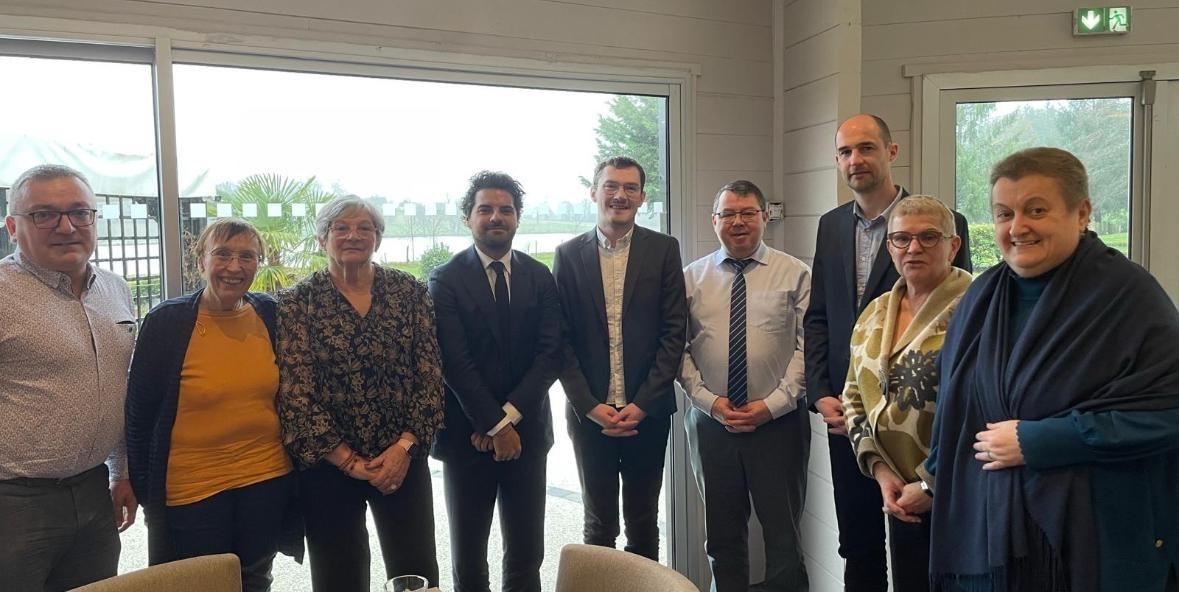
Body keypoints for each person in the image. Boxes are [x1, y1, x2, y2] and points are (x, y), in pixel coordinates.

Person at [926, 147, 1179, 592]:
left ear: (1081, 213)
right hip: (989, 537)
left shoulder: (1129, 298)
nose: (1017, 227)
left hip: (1094, 541)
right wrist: (930, 481)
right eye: (1004, 214)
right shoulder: (981, 299)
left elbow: (1168, 413)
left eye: (1036, 210)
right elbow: (957, 406)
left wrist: (1043, 440)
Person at [804, 114, 971, 589]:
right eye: (845, 152)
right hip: (849, 417)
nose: (855, 160)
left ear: (891, 152)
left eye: (866, 148)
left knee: (920, 548)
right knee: (857, 543)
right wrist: (821, 392)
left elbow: (958, 322)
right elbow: (819, 316)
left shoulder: (937, 220)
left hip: (922, 433)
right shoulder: (831, 225)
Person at [277, 196, 444, 592]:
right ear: (322, 239)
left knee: (416, 574)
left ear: (377, 239)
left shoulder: (409, 292)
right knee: (339, 578)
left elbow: (430, 375)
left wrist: (403, 447)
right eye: (341, 228)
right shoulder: (298, 302)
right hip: (328, 466)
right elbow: (295, 395)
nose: (353, 235)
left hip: (401, 460)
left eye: (364, 228)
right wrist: (348, 461)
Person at [125, 218, 300, 591]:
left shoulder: (270, 313)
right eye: (222, 254)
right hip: (192, 488)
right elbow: (139, 416)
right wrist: (144, 492)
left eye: (247, 256)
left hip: (266, 479)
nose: (234, 266)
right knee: (200, 583)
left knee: (254, 578)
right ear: (200, 261)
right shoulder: (166, 322)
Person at [0, 164, 138, 591]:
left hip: (94, 492)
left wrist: (121, 471)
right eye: (44, 214)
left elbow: (118, 385)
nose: (66, 226)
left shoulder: (115, 289)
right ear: (12, 227)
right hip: (14, 502)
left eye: (79, 212)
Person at [428, 171, 564, 592]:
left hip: (527, 435)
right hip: (467, 437)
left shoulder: (540, 276)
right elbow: (455, 362)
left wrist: (506, 422)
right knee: (469, 558)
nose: (495, 217)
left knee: (526, 554)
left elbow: (550, 354)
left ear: (517, 218)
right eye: (485, 209)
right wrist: (493, 425)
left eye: (506, 209)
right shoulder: (445, 279)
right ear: (468, 218)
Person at [553, 156, 688, 560]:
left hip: (648, 413)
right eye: (611, 185)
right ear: (594, 192)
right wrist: (589, 405)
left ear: (642, 197)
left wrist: (643, 404)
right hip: (589, 415)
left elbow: (674, 333)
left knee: (644, 522)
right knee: (598, 525)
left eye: (630, 187)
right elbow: (560, 339)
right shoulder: (567, 254)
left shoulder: (663, 249)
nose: (620, 195)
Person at [679, 180, 811, 591]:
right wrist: (709, 402)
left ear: (765, 217)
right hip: (711, 425)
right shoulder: (692, 278)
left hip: (779, 426)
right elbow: (677, 350)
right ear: (714, 221)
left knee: (784, 539)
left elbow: (809, 348)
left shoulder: (796, 274)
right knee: (722, 539)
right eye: (729, 214)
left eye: (748, 213)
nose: (738, 222)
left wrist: (772, 405)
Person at [840, 196, 970, 592]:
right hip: (897, 494)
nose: (913, 248)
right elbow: (853, 395)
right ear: (889, 246)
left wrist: (931, 483)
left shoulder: (979, 309)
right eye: (902, 238)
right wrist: (881, 472)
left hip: (962, 495)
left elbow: (986, 409)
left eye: (928, 237)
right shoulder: (876, 312)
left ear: (953, 245)